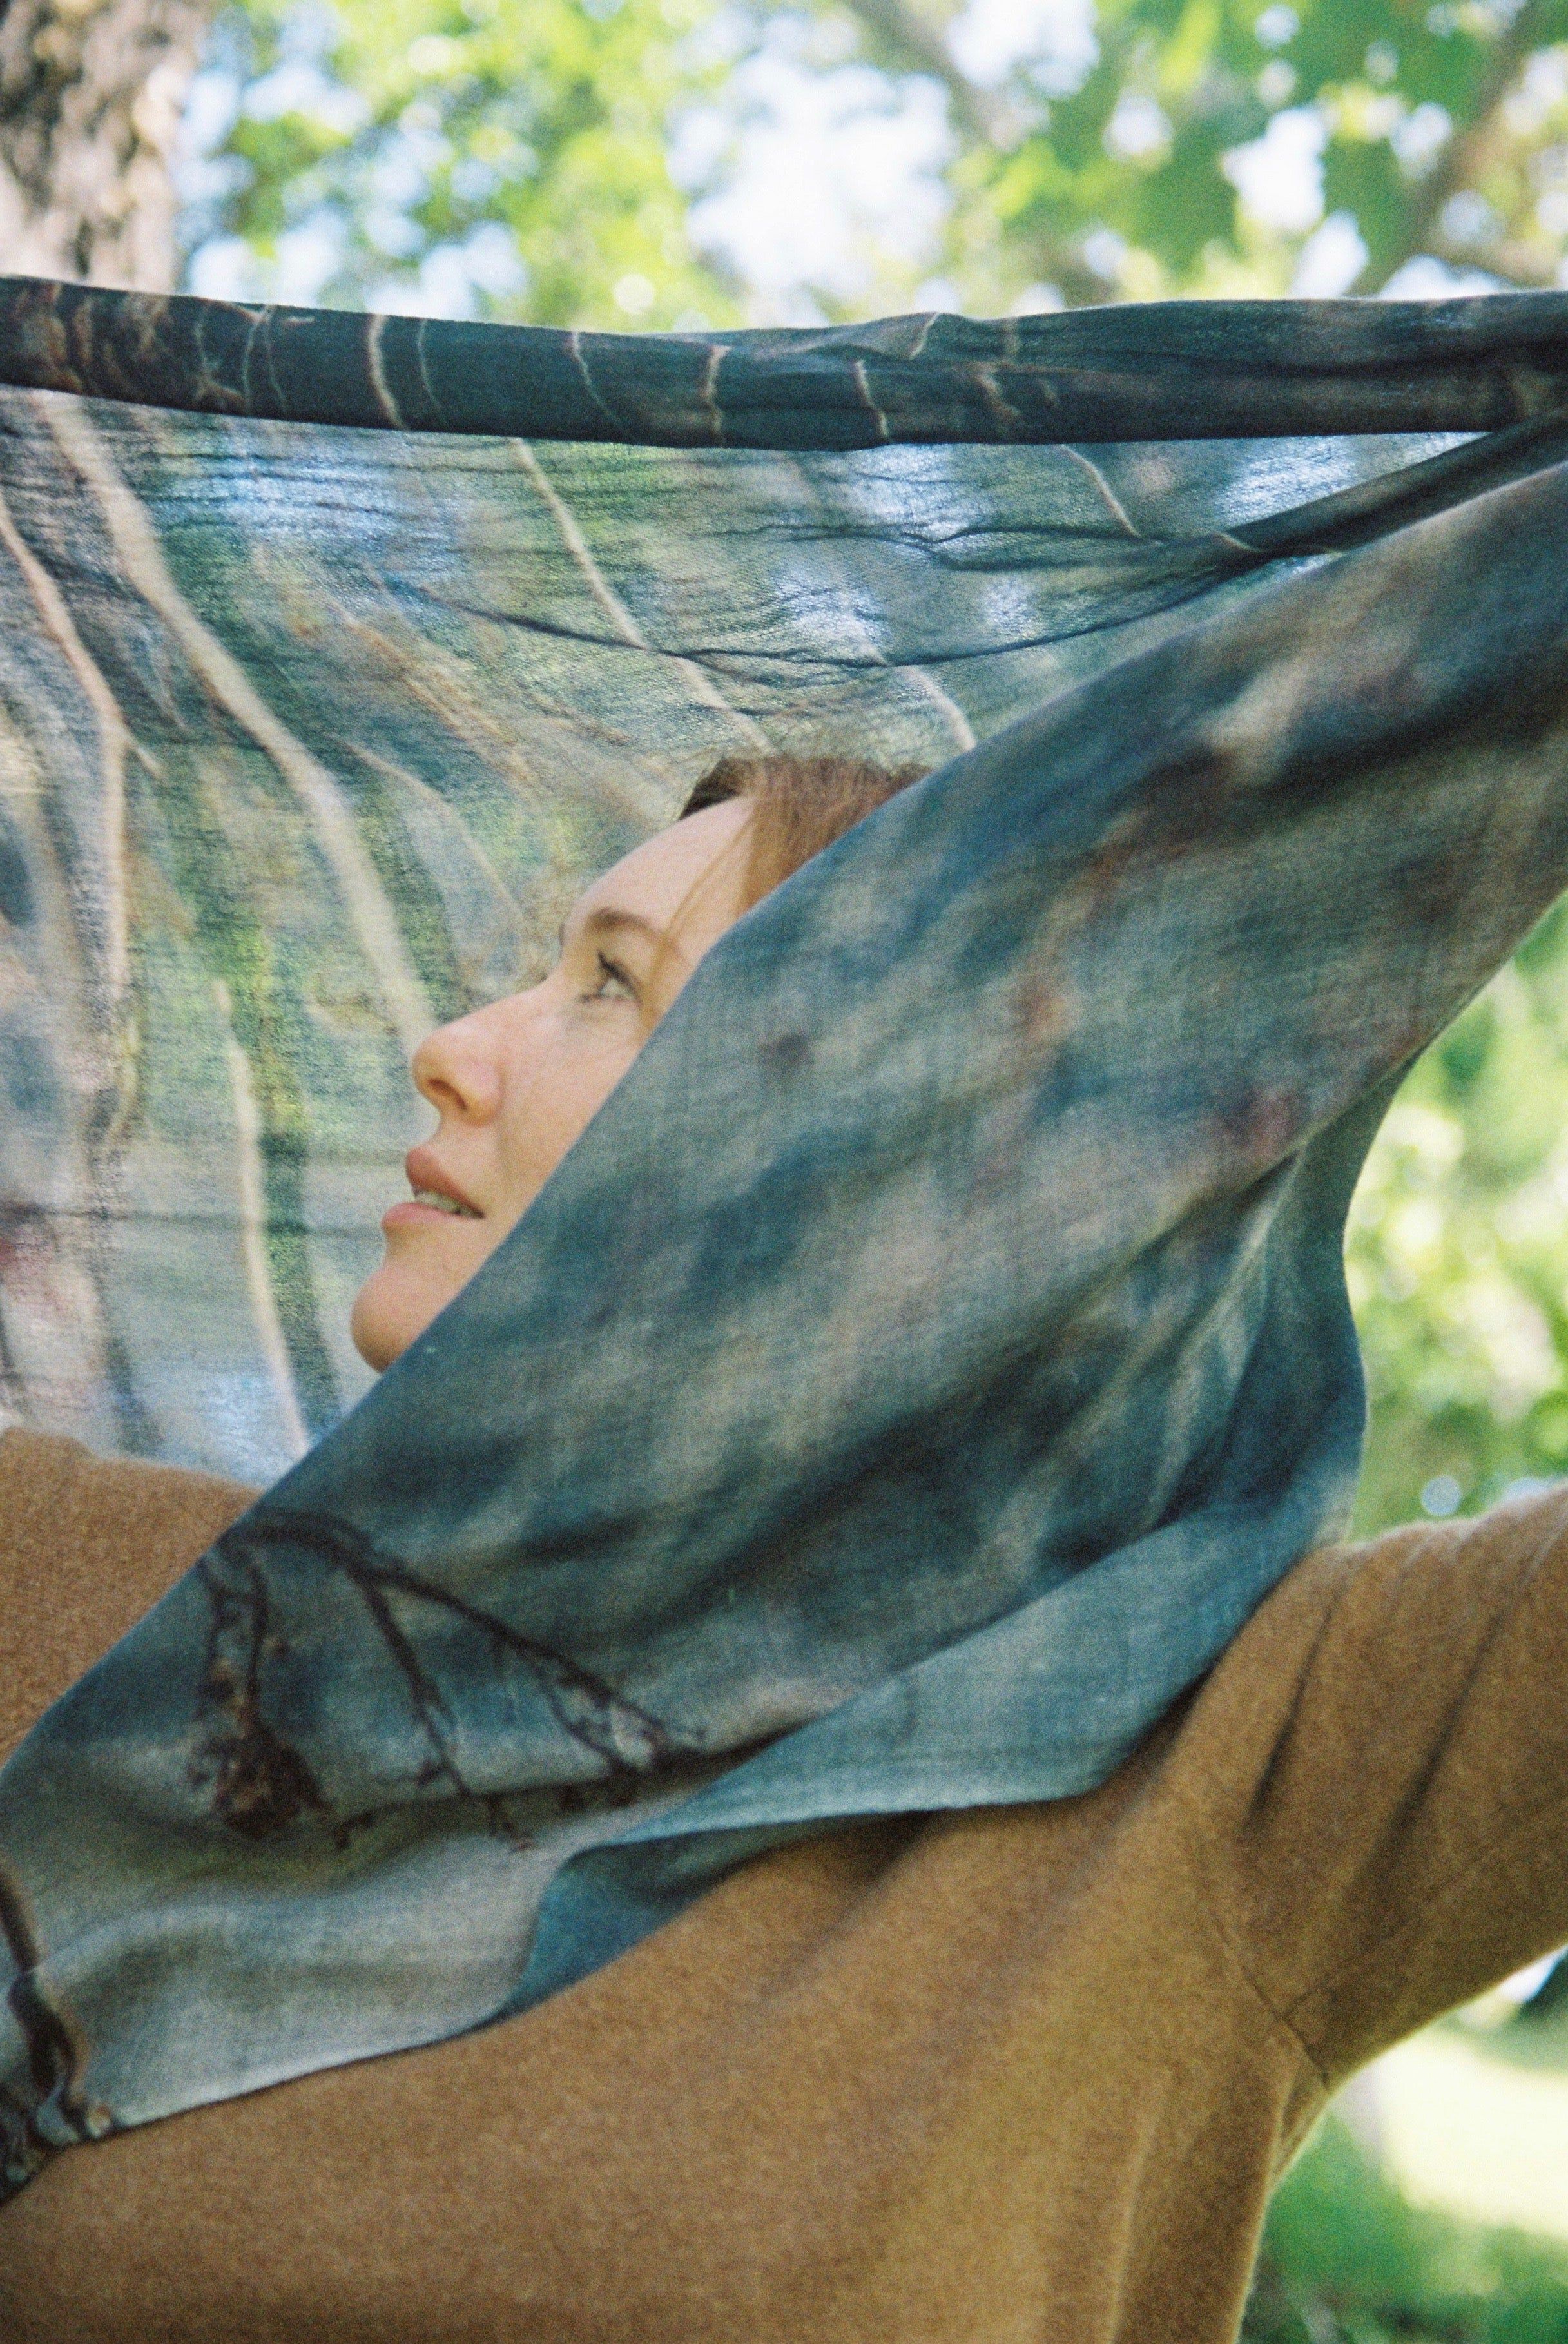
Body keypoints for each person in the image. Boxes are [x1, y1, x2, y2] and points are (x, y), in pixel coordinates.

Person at [0, 751, 1565, 2344]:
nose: (449, 1051)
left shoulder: (1215, 1791)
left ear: (854, 1159)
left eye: (611, 986)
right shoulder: (74, 1596)